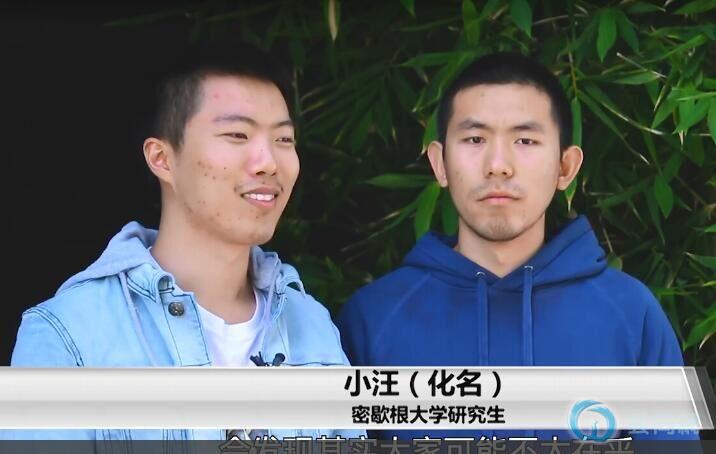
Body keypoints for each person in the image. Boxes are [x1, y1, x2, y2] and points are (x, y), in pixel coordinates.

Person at [6, 42, 361, 441]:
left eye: (283, 140)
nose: (268, 162)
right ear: (162, 158)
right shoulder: (69, 333)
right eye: (237, 135)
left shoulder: (312, 326)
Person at [337, 52, 697, 441]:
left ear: (565, 167)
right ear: (439, 163)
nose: (498, 164)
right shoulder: (373, 319)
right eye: (475, 139)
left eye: (525, 140)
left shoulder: (632, 315)